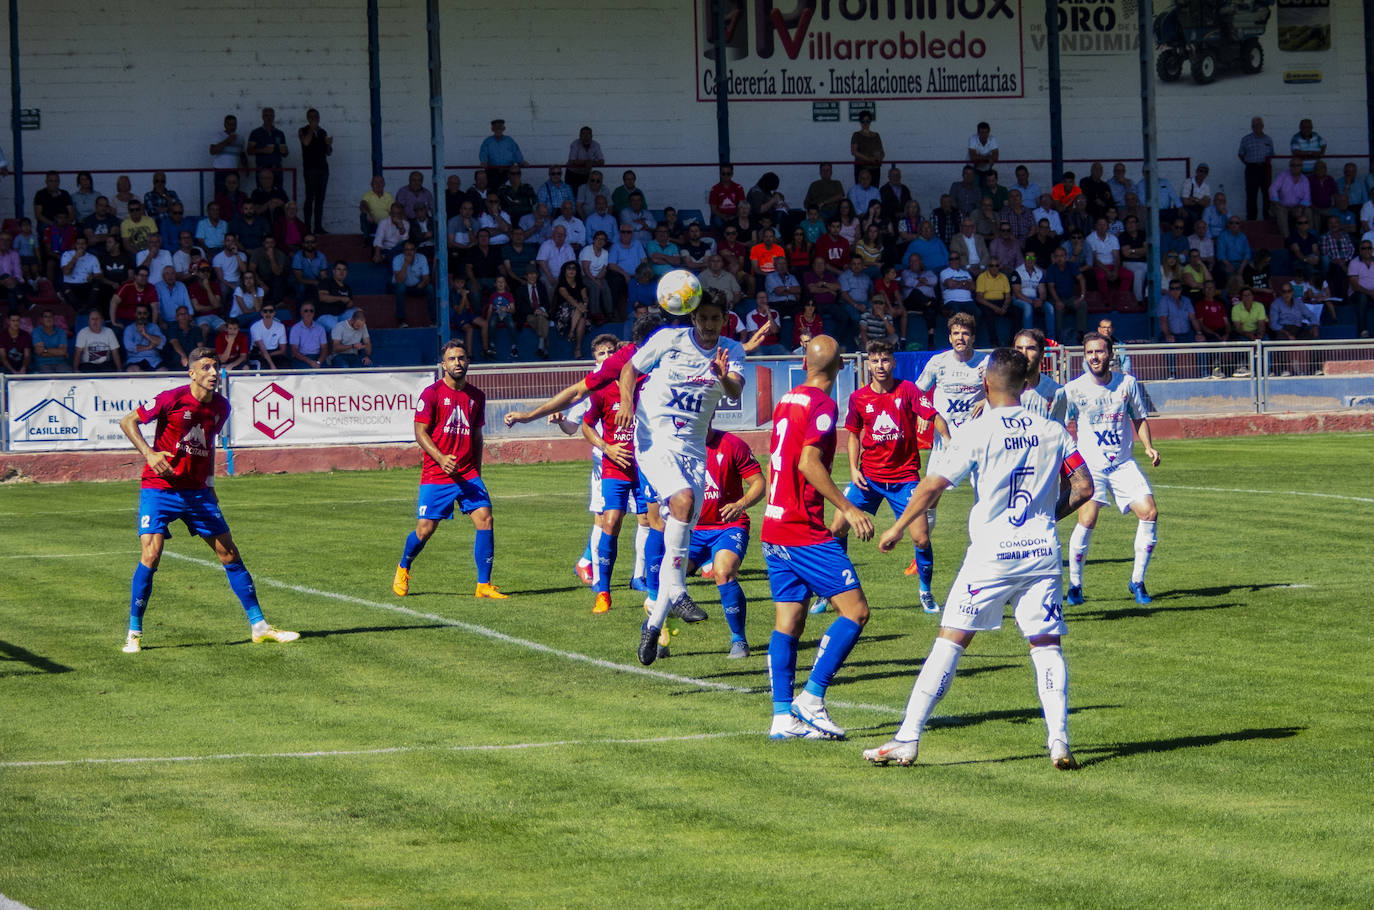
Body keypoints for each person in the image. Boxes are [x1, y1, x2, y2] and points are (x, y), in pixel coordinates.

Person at [863, 347, 1093, 769]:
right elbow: (1083, 487)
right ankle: (1059, 741)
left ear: (985, 383)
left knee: (951, 641)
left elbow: (932, 486)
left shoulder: (976, 430)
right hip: (1041, 552)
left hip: (992, 555)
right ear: (1026, 385)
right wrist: (1044, 516)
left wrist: (897, 528)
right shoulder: (1052, 429)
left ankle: (907, 738)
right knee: (1046, 645)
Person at [118, 348, 299, 653]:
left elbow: (210, 445)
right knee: (152, 554)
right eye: (207, 368)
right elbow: (127, 422)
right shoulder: (170, 398)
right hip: (159, 488)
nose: (214, 373)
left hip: (198, 492)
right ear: (192, 373)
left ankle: (260, 627)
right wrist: (149, 453)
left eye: (216, 367)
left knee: (229, 554)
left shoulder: (221, 407)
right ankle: (134, 633)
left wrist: (211, 483)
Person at [620, 291, 746, 666]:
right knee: (683, 501)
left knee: (681, 530)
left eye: (715, 319)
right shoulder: (667, 339)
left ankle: (653, 624)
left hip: (692, 448)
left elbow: (737, 388)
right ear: (693, 318)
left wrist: (724, 378)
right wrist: (627, 400)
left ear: (724, 321)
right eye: (703, 318)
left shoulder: (731, 351)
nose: (709, 326)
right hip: (653, 436)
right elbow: (630, 369)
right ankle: (677, 592)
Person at [762, 334, 875, 739]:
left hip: (773, 526)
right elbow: (808, 462)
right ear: (841, 365)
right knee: (855, 612)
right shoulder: (824, 405)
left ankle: (781, 719)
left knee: (789, 622)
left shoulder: (787, 399)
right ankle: (811, 700)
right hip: (802, 530)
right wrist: (848, 507)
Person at [828, 340, 940, 612]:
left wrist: (947, 439)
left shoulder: (908, 390)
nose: (880, 365)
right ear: (868, 364)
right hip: (869, 479)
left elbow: (933, 415)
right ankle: (832, 588)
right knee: (836, 529)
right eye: (875, 360)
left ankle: (925, 591)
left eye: (885, 359)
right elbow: (853, 435)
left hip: (905, 479)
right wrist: (854, 469)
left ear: (894, 362)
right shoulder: (859, 398)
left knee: (921, 538)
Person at [393, 339, 506, 599]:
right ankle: (403, 566)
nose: (458, 363)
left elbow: (477, 437)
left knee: (485, 518)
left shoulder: (477, 396)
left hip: (468, 474)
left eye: (462, 358)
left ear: (468, 362)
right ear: (443, 365)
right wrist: (441, 457)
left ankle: (483, 585)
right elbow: (419, 433)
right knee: (425, 529)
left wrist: (476, 470)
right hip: (437, 473)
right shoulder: (431, 394)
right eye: (453, 359)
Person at [1063, 332, 1161, 607]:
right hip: (1090, 466)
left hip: (1122, 463)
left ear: (1110, 355)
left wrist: (1148, 447)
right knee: (1087, 520)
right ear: (1085, 356)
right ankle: (1075, 585)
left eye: (1100, 351)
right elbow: (1059, 423)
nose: (1094, 357)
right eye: (1090, 352)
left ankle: (1137, 581)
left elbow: (1139, 417)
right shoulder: (1074, 389)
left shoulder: (1127, 383)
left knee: (1150, 512)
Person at [684, 427, 766, 658]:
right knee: (670, 576)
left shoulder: (731, 444)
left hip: (729, 526)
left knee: (723, 572)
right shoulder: (680, 444)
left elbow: (759, 483)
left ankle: (739, 640)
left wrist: (741, 504)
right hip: (692, 528)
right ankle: (660, 633)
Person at [915, 312, 988, 560]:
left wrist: (986, 398)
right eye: (956, 333)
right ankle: (921, 552)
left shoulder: (985, 363)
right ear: (950, 337)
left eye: (965, 333)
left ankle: (983, 549)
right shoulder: (938, 362)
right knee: (931, 496)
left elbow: (1003, 389)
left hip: (978, 440)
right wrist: (923, 413)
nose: (960, 337)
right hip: (945, 442)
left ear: (973, 337)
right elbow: (917, 392)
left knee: (985, 496)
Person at [1015, 329, 1067, 423]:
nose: (1024, 354)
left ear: (1042, 354)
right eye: (1019, 348)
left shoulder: (1057, 392)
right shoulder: (1000, 391)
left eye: (1030, 348)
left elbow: (1058, 432)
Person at [298, 108, 332, 234]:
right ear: (308, 118)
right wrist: (312, 129)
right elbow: (305, 142)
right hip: (310, 169)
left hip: (323, 168)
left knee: (320, 199)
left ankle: (318, 226)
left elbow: (328, 152)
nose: (314, 119)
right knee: (309, 198)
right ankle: (307, 228)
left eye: (316, 117)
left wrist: (328, 144)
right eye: (311, 117)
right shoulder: (303, 130)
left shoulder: (323, 132)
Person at [1238, 116, 1274, 221]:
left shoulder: (1268, 139)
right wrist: (1249, 163)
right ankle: (1251, 220)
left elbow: (1271, 154)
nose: (1257, 127)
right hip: (1252, 168)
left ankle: (1267, 218)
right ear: (1251, 127)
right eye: (1254, 125)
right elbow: (1241, 154)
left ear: (1263, 126)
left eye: (1259, 125)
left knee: (1267, 194)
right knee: (1251, 195)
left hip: (1265, 168)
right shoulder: (1246, 139)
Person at [392, 239, 433, 327]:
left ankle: (433, 321)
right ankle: (401, 321)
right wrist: (406, 264)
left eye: (411, 249)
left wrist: (423, 283)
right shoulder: (397, 259)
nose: (409, 252)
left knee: (430, 288)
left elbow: (426, 277)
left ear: (415, 250)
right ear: (403, 251)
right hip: (402, 286)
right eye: (407, 250)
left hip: (416, 286)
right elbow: (399, 280)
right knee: (400, 287)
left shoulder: (421, 258)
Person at [478, 119, 527, 188]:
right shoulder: (487, 141)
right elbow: (483, 153)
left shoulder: (509, 140)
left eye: (500, 127)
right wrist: (484, 161)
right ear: (492, 129)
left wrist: (521, 161)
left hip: (508, 171)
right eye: (495, 127)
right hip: (492, 171)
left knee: (508, 190)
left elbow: (516, 152)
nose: (498, 129)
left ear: (504, 128)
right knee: (493, 190)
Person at [289, 302, 329, 369]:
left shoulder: (320, 328)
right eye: (306, 311)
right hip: (302, 358)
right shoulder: (295, 329)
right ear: (301, 313)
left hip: (317, 357)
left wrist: (318, 362)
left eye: (311, 311)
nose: (309, 313)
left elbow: (324, 348)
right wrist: (310, 362)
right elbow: (294, 350)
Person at [248, 299, 287, 368]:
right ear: (261, 313)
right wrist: (272, 365)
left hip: (274, 352)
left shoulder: (281, 327)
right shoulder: (255, 327)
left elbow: (283, 350)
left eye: (271, 311)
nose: (268, 314)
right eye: (265, 311)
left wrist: (270, 355)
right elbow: (262, 348)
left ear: (274, 313)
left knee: (286, 365)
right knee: (264, 366)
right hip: (258, 352)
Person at [566, 126, 604, 194]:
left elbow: (602, 161)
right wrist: (586, 162)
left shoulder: (596, 145)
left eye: (588, 134)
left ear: (592, 136)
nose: (586, 136)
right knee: (571, 194)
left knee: (584, 194)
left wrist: (591, 163)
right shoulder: (575, 144)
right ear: (580, 136)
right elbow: (571, 161)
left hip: (586, 174)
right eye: (583, 134)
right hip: (572, 174)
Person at [850, 111, 884, 185]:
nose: (865, 123)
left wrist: (879, 159)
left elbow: (882, 152)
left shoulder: (876, 135)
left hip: (875, 168)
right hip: (862, 168)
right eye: (863, 121)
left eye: (867, 121)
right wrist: (869, 159)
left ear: (870, 122)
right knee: (861, 191)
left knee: (874, 190)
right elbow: (854, 151)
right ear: (860, 122)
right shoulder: (857, 135)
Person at [31, 308, 69, 373]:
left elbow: (63, 351)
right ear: (42, 320)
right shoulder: (36, 332)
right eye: (45, 317)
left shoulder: (61, 332)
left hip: (60, 363)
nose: (48, 319)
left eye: (50, 316)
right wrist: (58, 352)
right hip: (43, 363)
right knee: (49, 378)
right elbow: (39, 351)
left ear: (54, 319)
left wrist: (45, 350)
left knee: (68, 375)